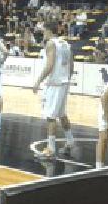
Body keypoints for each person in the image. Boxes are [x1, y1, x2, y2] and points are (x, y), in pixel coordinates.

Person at [31, 19, 76, 159]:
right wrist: (67, 78)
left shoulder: (51, 43)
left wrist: (38, 81)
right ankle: (70, 142)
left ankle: (50, 149)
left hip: (55, 83)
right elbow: (72, 65)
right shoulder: (65, 43)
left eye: (44, 30)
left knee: (51, 117)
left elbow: (50, 65)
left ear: (49, 30)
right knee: (62, 114)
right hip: (64, 82)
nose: (43, 33)